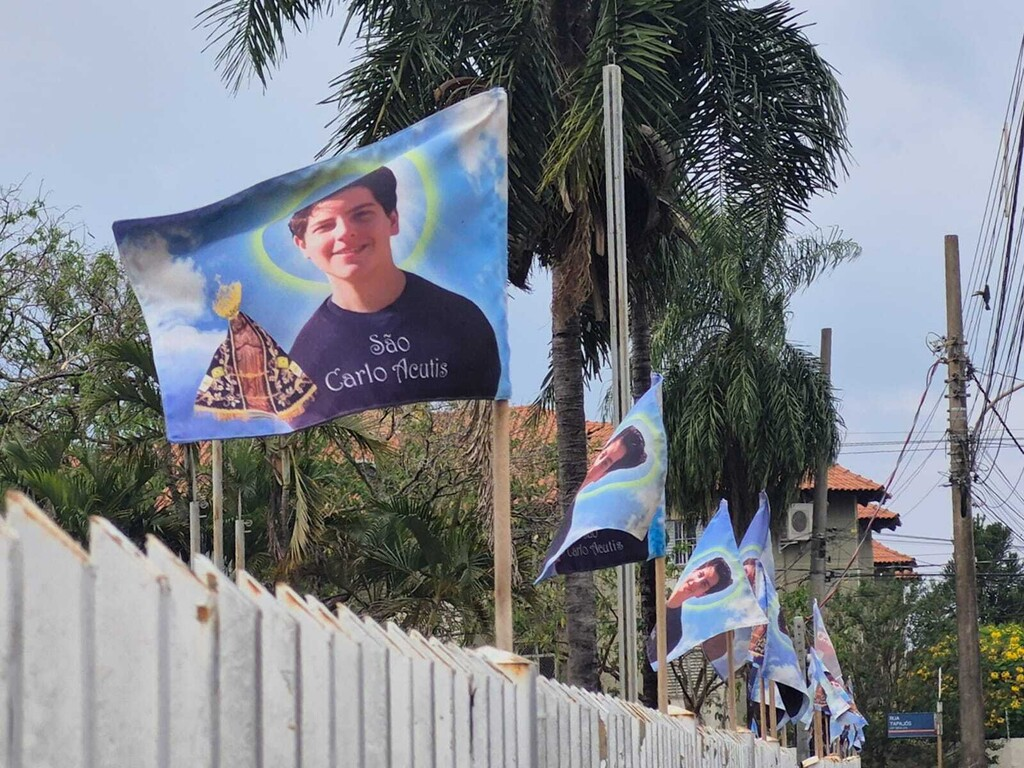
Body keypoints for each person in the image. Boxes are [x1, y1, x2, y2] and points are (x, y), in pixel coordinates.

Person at [287, 166, 501, 426]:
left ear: (393, 220)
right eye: (325, 226)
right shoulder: (306, 361)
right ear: (303, 245)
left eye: (361, 215)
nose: (345, 232)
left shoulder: (461, 321)